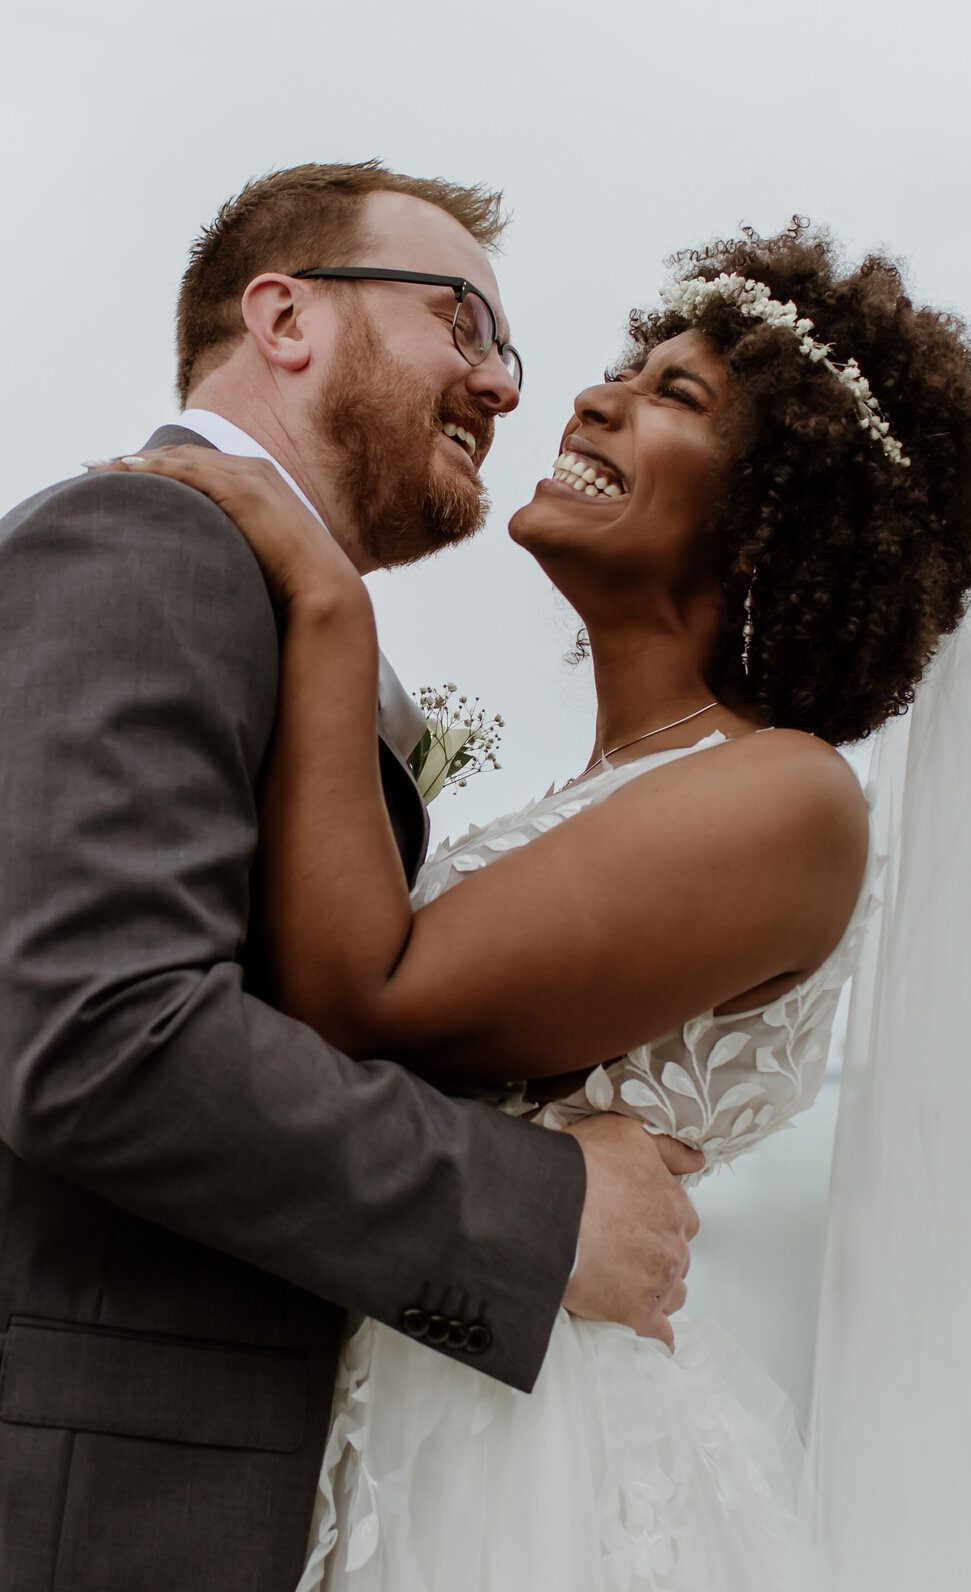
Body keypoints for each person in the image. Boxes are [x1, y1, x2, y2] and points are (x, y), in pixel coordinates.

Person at [102, 219, 971, 1590]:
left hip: (533, 1470)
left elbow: (361, 1002)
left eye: (675, 395)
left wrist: (325, 601)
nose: (593, 396)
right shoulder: (619, 793)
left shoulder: (788, 801)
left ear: (773, 527)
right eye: (631, 367)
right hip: (421, 1390)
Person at [0, 163, 701, 1592]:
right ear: (286, 317)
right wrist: (549, 1211)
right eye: (466, 321)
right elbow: (99, 1038)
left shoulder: (270, 609)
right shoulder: (146, 543)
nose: (506, 389)